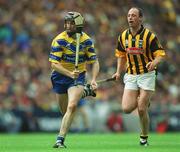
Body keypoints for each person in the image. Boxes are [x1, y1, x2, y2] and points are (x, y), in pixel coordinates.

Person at [112, 7, 166, 146]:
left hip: (146, 75)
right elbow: (121, 55)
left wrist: (154, 63)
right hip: (131, 74)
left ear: (140, 18)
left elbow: (160, 54)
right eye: (129, 15)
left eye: (134, 15)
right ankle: (143, 98)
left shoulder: (149, 36)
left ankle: (143, 138)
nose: (130, 18)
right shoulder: (123, 36)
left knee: (141, 109)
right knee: (126, 108)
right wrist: (118, 71)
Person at [49, 11, 99, 148]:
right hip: (60, 76)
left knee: (72, 106)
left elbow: (94, 62)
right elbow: (54, 64)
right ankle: (85, 92)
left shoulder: (87, 41)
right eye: (66, 22)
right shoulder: (59, 40)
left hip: (78, 77)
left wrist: (94, 79)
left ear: (79, 25)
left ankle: (60, 140)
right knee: (65, 111)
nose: (67, 25)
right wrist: (70, 73)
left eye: (71, 23)